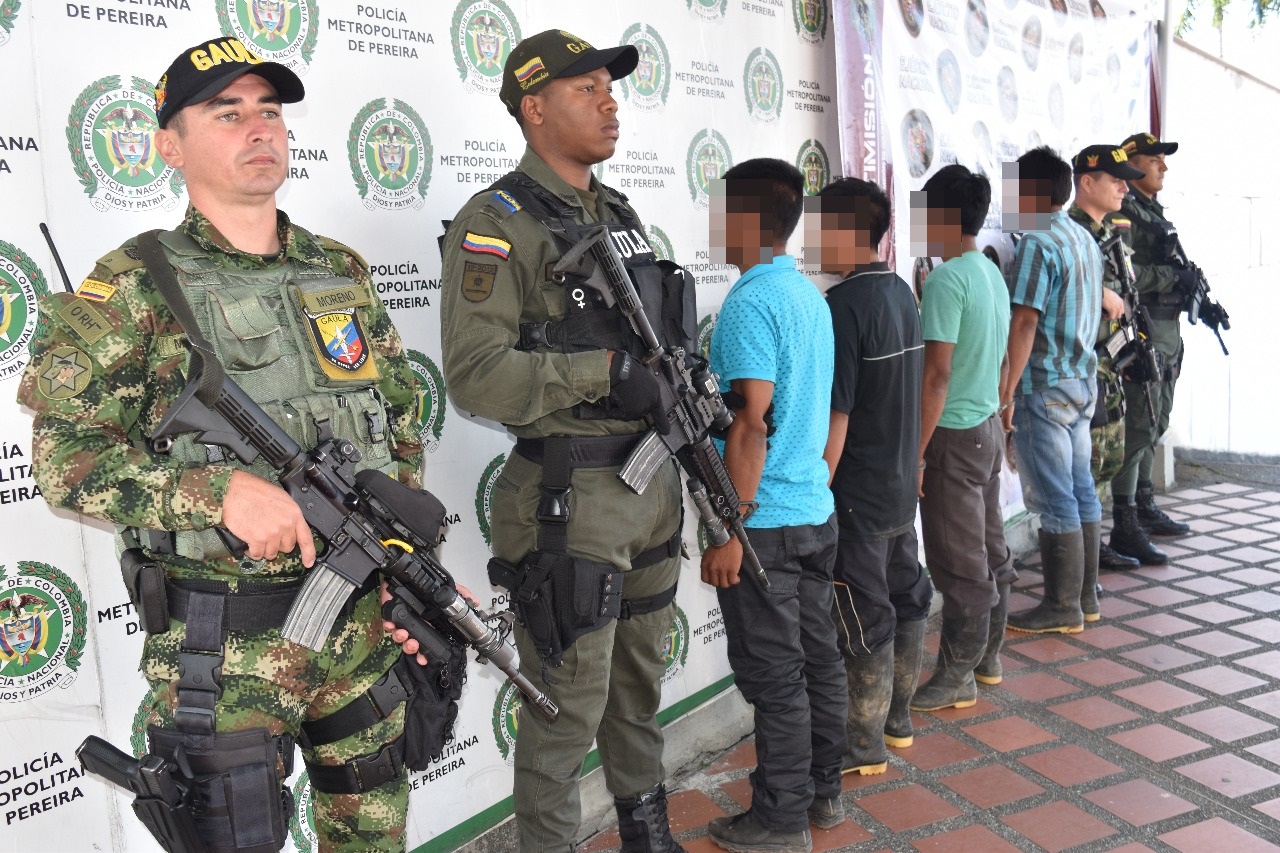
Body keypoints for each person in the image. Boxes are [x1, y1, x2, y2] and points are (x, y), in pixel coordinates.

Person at [17, 37, 426, 852]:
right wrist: (217, 495)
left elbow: (400, 417)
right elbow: (65, 464)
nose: (259, 129)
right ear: (168, 145)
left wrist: (395, 563)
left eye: (269, 112)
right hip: (222, 648)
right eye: (227, 113)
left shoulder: (335, 270)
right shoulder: (135, 285)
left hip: (357, 630)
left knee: (377, 840)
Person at [439, 30, 689, 853]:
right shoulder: (498, 221)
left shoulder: (619, 215)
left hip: (650, 485)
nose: (609, 100)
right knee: (565, 713)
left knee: (637, 688)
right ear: (534, 106)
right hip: (571, 499)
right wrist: (603, 372)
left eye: (610, 87)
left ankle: (647, 837)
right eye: (587, 88)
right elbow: (475, 376)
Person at [701, 160, 846, 853]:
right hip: (813, 512)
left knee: (778, 679)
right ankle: (823, 794)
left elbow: (751, 421)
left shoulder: (750, 304)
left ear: (746, 221)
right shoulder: (807, 296)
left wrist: (733, 526)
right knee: (818, 661)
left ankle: (781, 821)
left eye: (720, 210)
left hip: (768, 525)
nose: (713, 224)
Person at [816, 178, 933, 774]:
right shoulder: (901, 294)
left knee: (863, 619)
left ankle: (863, 746)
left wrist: (818, 493)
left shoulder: (841, 308)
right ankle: (899, 720)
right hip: (896, 486)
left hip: (857, 493)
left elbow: (838, 418)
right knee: (907, 597)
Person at [1000, 147, 1124, 635]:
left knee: (1056, 501)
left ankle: (1061, 606)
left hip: (1045, 386)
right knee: (1080, 493)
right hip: (1081, 382)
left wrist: (1006, 392)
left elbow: (1025, 320)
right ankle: (1085, 598)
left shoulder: (1037, 243)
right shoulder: (1082, 238)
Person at [907, 165, 1016, 710]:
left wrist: (918, 453)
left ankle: (957, 677)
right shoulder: (988, 271)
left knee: (958, 560)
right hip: (986, 428)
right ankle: (987, 660)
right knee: (990, 546)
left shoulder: (947, 279)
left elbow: (936, 375)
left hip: (952, 433)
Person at [1065, 144, 1156, 570]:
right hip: (1088, 365)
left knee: (1108, 459)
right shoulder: (1069, 235)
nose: (1124, 187)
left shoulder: (1107, 233)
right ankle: (1082, 559)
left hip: (1111, 365)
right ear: (1086, 181)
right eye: (1115, 179)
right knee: (1090, 463)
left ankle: (1099, 543)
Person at [1108, 133, 1192, 562]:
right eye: (1155, 160)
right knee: (1141, 422)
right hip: (1144, 327)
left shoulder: (1150, 211)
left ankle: (1142, 503)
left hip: (1166, 328)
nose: (1163, 167)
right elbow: (1124, 273)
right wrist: (1170, 278)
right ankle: (1125, 522)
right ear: (1133, 164)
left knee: (1157, 421)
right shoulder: (1124, 212)